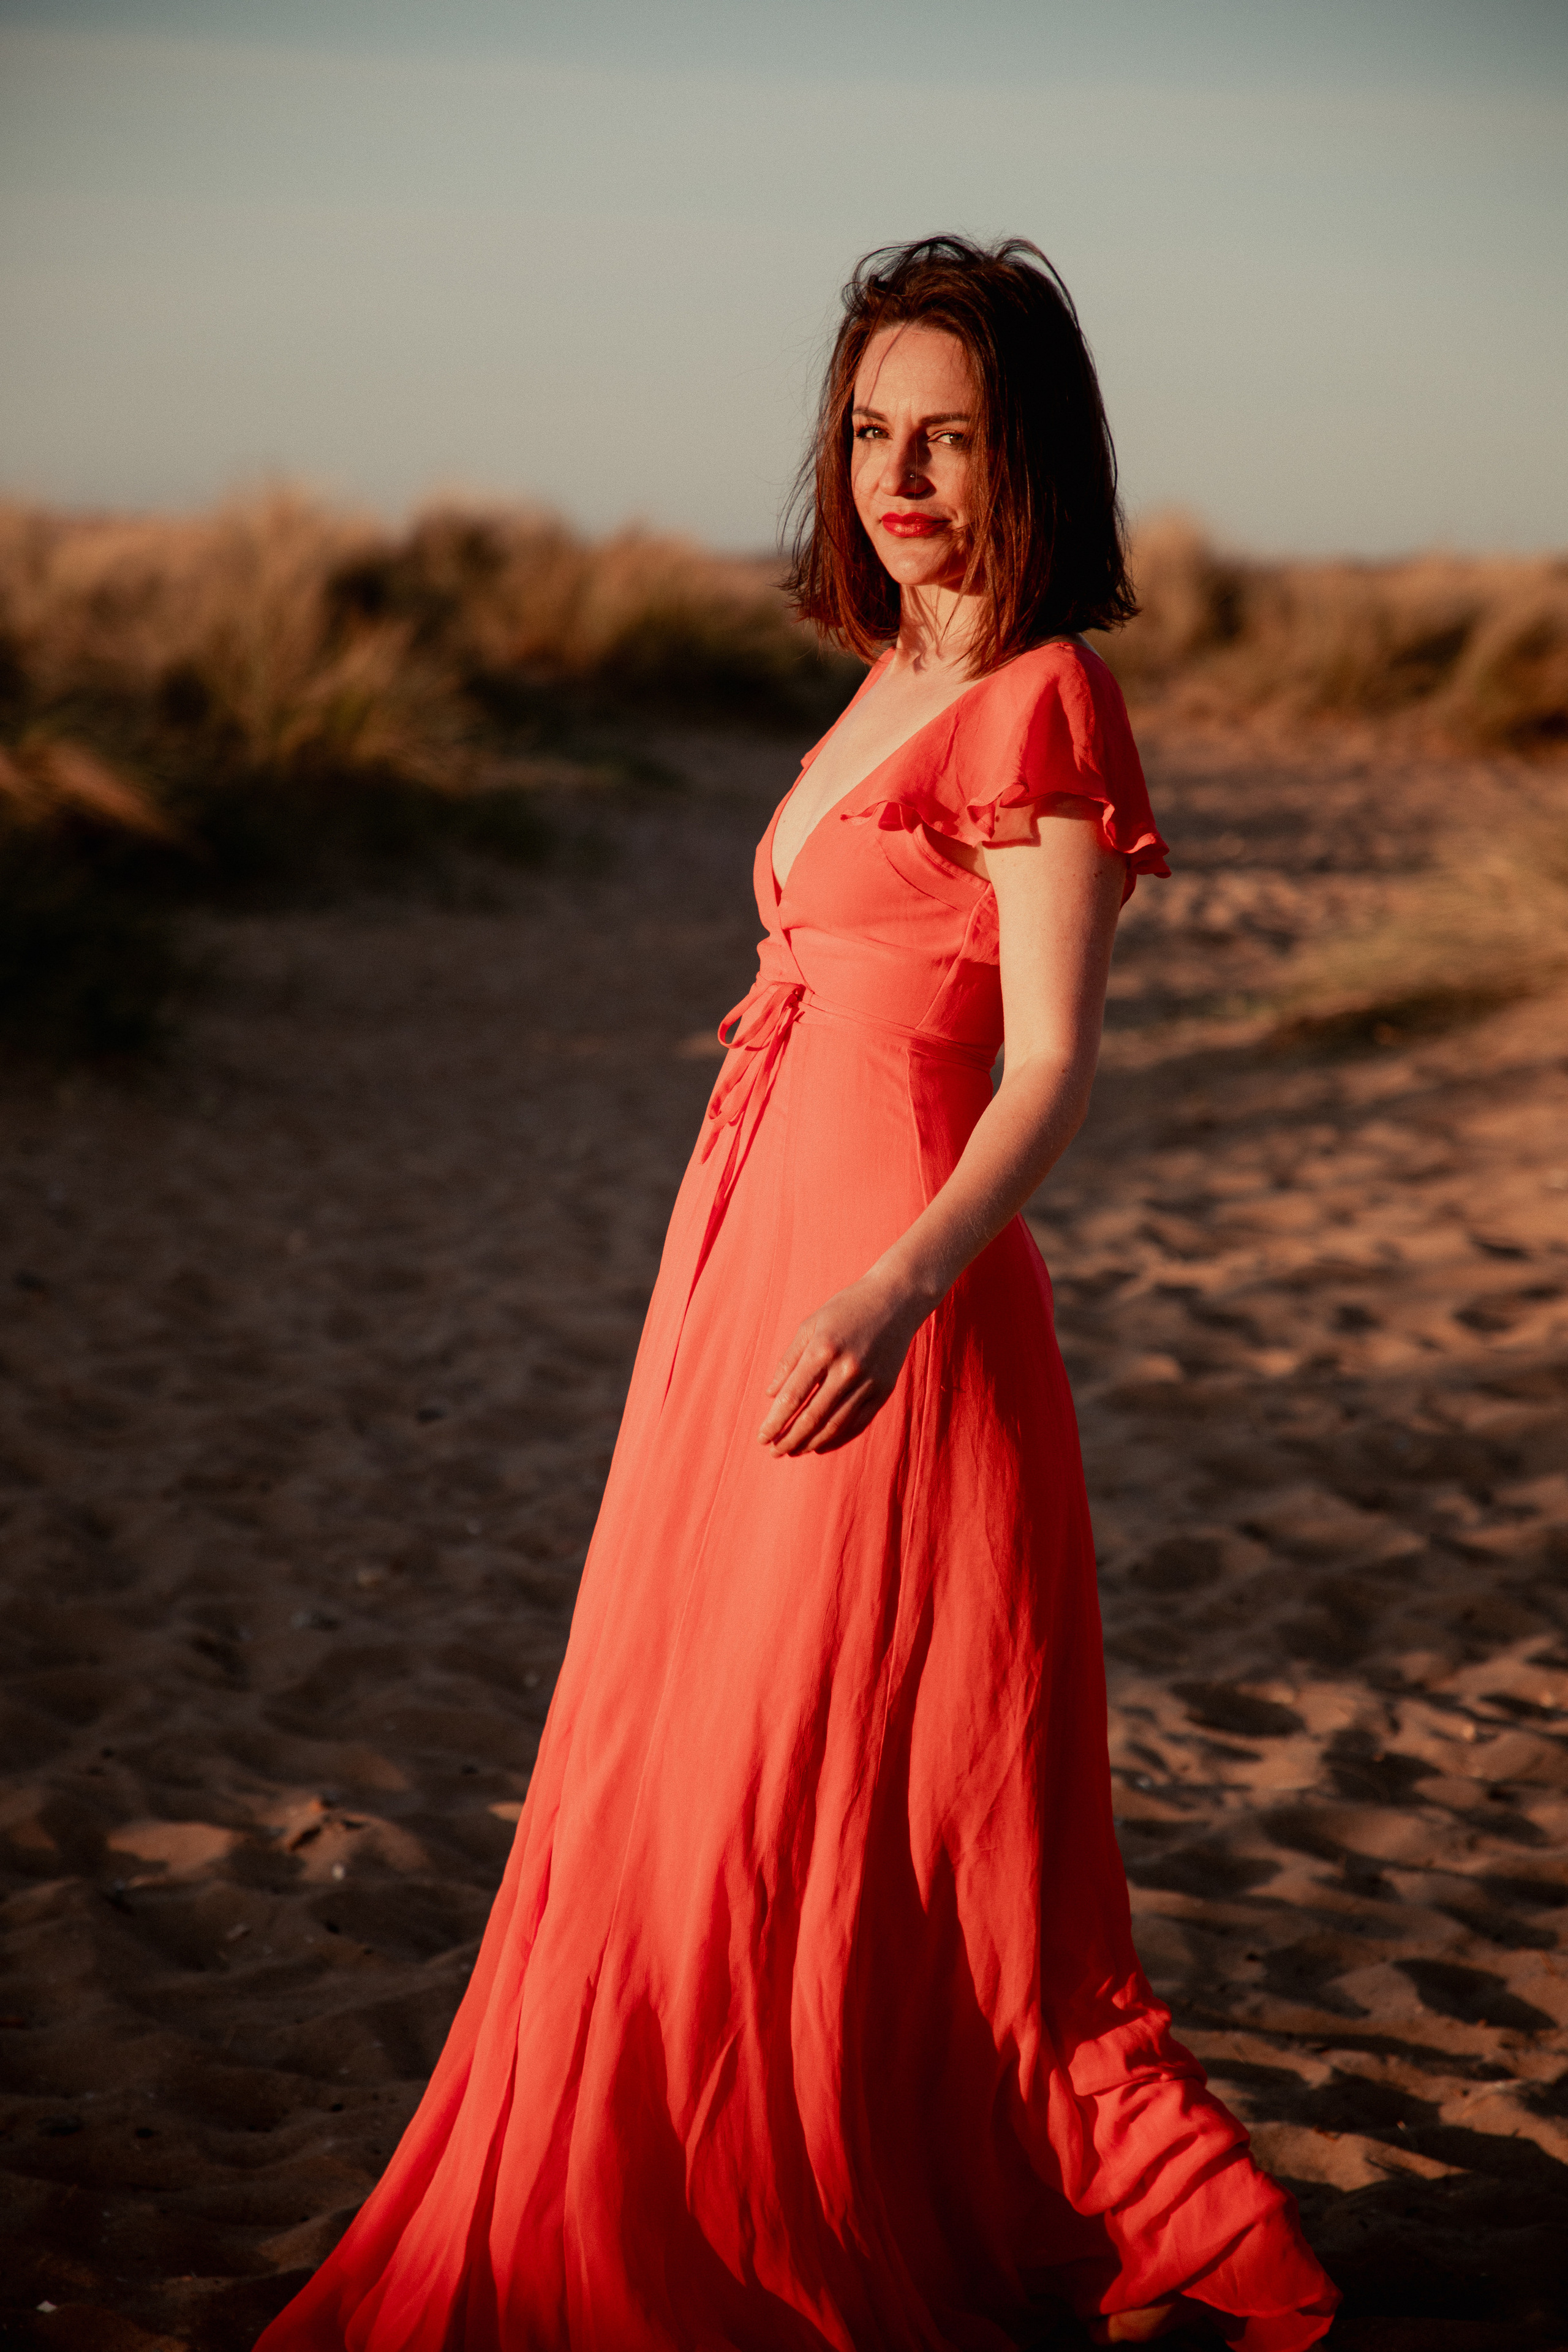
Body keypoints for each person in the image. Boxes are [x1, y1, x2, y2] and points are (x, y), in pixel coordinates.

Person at [256, 236, 1338, 2351]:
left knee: (871, 1786)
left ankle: (1164, 2225)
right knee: (712, 1753)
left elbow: (1047, 1068)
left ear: (1032, 456)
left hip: (893, 1302)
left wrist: (897, 1287)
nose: (900, 480)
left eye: (950, 439)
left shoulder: (1043, 694)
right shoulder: (893, 669)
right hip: (751, 1264)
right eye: (869, 435)